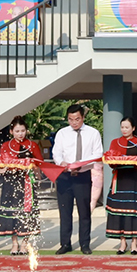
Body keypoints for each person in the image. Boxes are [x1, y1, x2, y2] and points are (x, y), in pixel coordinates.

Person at [52, 103, 103, 255]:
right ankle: (65, 243)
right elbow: (57, 152)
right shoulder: (62, 133)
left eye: (77, 119)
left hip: (83, 176)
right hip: (65, 176)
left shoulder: (93, 133)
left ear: (83, 117)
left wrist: (81, 164)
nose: (74, 122)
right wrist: (62, 162)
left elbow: (97, 154)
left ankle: (85, 244)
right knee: (65, 211)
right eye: (71, 119)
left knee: (84, 211)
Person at [0, 116, 43, 255]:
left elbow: (39, 163)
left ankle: (25, 244)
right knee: (12, 212)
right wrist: (1, 168)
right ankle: (14, 243)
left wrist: (33, 169)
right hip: (10, 182)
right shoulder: (5, 146)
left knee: (26, 212)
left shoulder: (32, 145)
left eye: (22, 130)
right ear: (11, 131)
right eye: (17, 131)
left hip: (27, 182)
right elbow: (1, 164)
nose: (20, 133)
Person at [105, 116, 137, 255]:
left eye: (127, 127)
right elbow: (111, 161)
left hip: (134, 180)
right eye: (122, 127)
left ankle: (134, 243)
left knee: (134, 211)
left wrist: (126, 160)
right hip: (120, 179)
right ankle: (122, 242)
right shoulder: (115, 142)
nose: (124, 130)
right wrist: (116, 160)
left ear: (133, 128)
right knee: (119, 212)